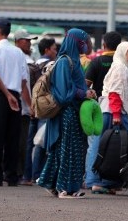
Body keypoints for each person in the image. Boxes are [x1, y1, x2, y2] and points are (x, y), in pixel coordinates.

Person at [37, 28, 97, 198]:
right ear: (76, 42)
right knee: (68, 151)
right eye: (83, 41)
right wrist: (82, 93)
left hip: (75, 111)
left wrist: (87, 92)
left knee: (69, 150)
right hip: (67, 113)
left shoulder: (74, 60)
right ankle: (65, 188)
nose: (85, 45)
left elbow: (76, 85)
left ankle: (55, 183)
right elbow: (63, 92)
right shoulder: (64, 62)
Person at [0, 18, 33, 187]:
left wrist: (6, 94)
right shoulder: (18, 52)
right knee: (12, 137)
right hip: (15, 94)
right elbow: (24, 79)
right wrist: (17, 97)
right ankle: (11, 175)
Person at [84, 31, 121, 194]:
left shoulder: (96, 62)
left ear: (104, 45)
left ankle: (92, 180)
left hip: (98, 107)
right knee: (113, 147)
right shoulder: (123, 63)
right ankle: (110, 181)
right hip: (118, 110)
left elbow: (86, 84)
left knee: (94, 145)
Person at [21, 37, 57, 186]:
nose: (56, 51)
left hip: (32, 106)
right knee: (42, 143)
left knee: (30, 143)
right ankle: (38, 174)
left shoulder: (34, 63)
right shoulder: (51, 65)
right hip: (45, 108)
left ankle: (26, 175)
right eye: (54, 48)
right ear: (47, 50)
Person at [13, 29, 38, 185]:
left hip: (20, 106)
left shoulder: (22, 58)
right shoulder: (20, 58)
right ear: (18, 41)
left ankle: (18, 173)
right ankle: (20, 174)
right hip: (21, 107)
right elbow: (23, 85)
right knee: (22, 143)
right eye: (26, 40)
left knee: (22, 142)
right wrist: (30, 106)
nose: (29, 43)